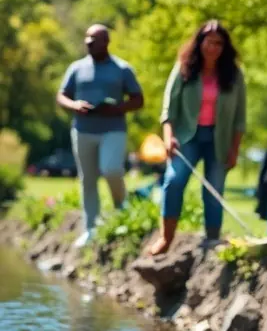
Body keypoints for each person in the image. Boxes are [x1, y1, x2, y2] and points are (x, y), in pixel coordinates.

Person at [153, 20, 247, 254]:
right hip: (187, 137)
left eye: (219, 43)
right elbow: (169, 109)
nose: (213, 47)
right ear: (200, 41)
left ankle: (212, 239)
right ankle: (166, 238)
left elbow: (240, 118)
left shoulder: (234, 75)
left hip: (220, 139)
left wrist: (234, 150)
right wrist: (169, 137)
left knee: (214, 189)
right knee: (173, 181)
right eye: (209, 41)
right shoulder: (184, 67)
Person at [56, 24, 144, 248]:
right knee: (88, 180)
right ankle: (90, 229)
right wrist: (74, 105)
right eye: (87, 40)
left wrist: (116, 109)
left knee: (111, 169)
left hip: (113, 129)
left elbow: (138, 99)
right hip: (82, 130)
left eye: (94, 40)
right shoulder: (76, 68)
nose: (89, 43)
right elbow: (62, 95)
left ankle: (121, 207)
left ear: (106, 42)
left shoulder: (122, 69)